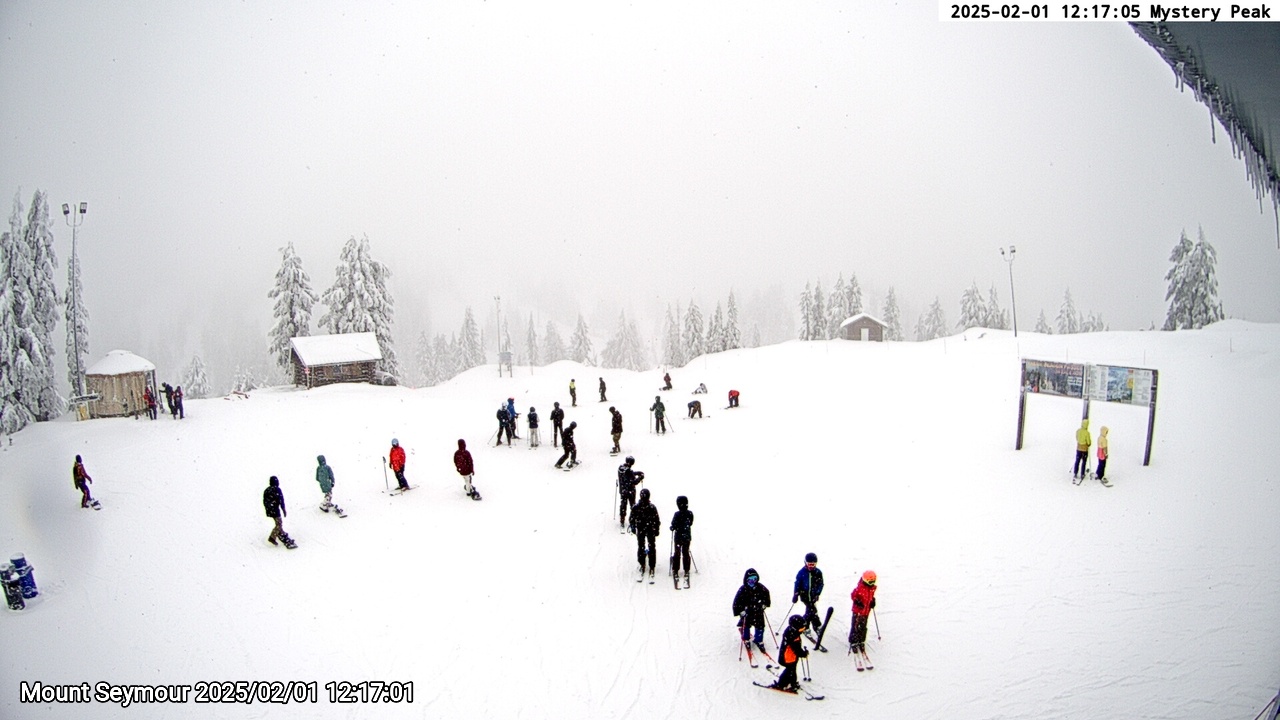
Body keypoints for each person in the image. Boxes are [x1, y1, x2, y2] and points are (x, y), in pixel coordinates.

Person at [732, 568, 771, 652]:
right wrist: (740, 611)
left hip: (758, 611)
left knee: (760, 626)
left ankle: (759, 640)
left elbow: (766, 595)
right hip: (747, 613)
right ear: (746, 580)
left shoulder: (760, 588)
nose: (752, 582)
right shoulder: (743, 590)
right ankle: (746, 639)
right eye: (750, 580)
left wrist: (765, 604)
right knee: (746, 626)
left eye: (754, 579)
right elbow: (736, 602)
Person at [772, 615, 810, 692]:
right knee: (789, 671)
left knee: (792, 670)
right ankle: (781, 684)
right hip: (788, 658)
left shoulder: (791, 631)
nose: (803, 630)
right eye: (802, 628)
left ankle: (793, 683)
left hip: (790, 657)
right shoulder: (793, 635)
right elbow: (797, 649)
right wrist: (804, 653)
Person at [629, 488, 660, 580]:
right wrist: (657, 529)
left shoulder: (637, 507)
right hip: (647, 529)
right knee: (649, 546)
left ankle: (645, 563)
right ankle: (649, 564)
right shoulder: (651, 507)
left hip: (643, 529)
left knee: (642, 546)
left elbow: (632, 518)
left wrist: (633, 527)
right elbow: (656, 520)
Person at [793, 552, 825, 637]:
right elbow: (797, 583)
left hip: (814, 596)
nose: (811, 566)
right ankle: (815, 626)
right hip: (805, 595)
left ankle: (807, 626)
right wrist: (796, 594)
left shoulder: (818, 572)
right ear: (805, 563)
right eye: (809, 564)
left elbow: (820, 584)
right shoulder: (802, 572)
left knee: (811, 611)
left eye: (813, 564)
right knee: (811, 611)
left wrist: (817, 593)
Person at [848, 570, 878, 654]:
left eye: (873, 581)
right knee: (855, 626)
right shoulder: (860, 588)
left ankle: (861, 640)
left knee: (863, 627)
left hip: (866, 612)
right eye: (870, 581)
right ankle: (853, 641)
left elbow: (871, 597)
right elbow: (853, 595)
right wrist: (857, 601)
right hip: (858, 611)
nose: (872, 583)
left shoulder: (872, 588)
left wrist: (872, 601)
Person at [263, 476, 296, 549]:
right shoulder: (277, 489)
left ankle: (281, 533)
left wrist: (268, 508)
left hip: (270, 509)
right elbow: (281, 500)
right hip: (275, 509)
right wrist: (283, 509)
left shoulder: (267, 490)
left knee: (278, 522)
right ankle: (272, 537)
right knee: (279, 523)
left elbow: (264, 501)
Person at [670, 495, 694, 589]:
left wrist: (672, 527)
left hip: (678, 537)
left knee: (677, 552)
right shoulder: (690, 513)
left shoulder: (677, 514)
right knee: (686, 552)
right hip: (687, 536)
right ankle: (686, 569)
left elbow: (674, 525)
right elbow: (691, 522)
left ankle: (676, 569)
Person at [617, 456, 644, 529]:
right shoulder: (629, 472)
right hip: (630, 491)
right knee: (632, 505)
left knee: (623, 505)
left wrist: (636, 473)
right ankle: (633, 519)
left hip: (623, 490)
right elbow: (634, 482)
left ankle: (622, 519)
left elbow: (629, 472)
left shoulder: (620, 468)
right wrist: (640, 477)